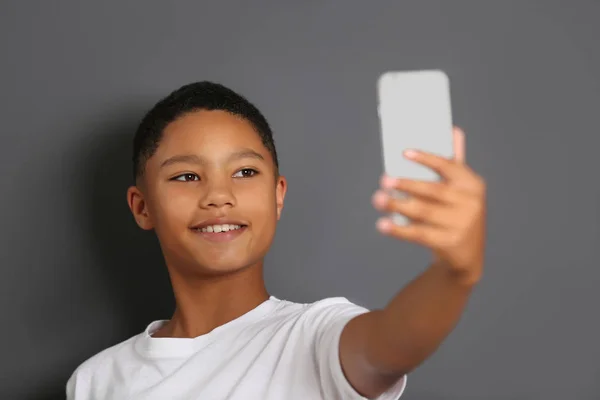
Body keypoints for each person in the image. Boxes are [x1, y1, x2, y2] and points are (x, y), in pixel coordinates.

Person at [66, 81, 486, 400]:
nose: (218, 196)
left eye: (245, 172)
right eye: (187, 176)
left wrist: (455, 273)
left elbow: (390, 346)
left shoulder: (315, 337)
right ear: (142, 208)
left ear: (278, 195)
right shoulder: (95, 381)